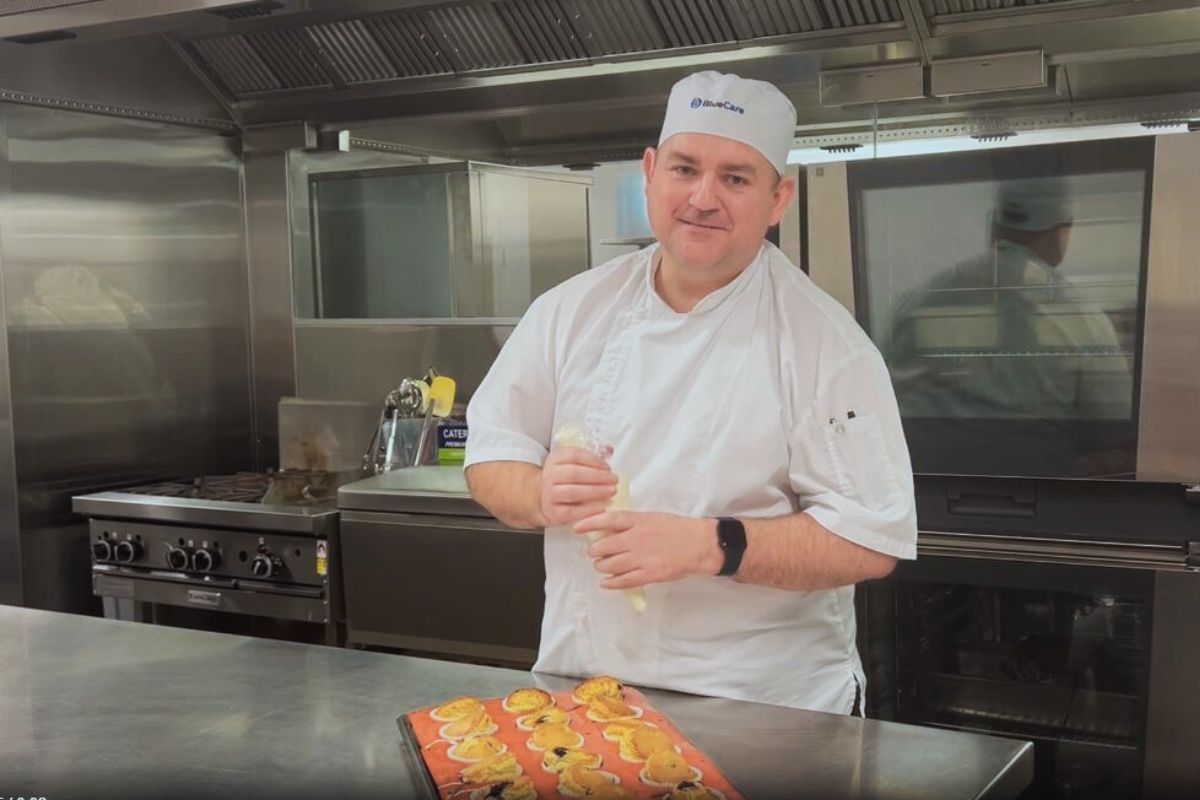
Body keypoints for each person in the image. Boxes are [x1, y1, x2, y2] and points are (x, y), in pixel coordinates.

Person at [464, 71, 917, 714]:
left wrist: (712, 546)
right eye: (684, 169)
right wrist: (538, 493)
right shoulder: (570, 310)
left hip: (763, 710)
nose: (703, 198)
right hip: (587, 695)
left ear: (778, 199)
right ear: (650, 173)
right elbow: (490, 456)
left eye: (735, 178)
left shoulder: (824, 343)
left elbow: (870, 541)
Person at [885, 177, 1133, 476]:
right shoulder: (1081, 316)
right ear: (1061, 232)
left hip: (926, 488)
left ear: (993, 226)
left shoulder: (918, 302)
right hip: (1042, 490)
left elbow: (885, 402)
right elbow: (1111, 431)